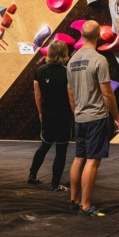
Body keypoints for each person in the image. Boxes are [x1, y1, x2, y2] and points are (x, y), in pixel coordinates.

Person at [67, 21, 119, 217]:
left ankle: (74, 200)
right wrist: (116, 117)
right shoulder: (99, 60)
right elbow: (107, 94)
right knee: (92, 160)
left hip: (80, 118)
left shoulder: (72, 61)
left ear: (81, 35)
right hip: (96, 118)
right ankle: (86, 205)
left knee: (79, 157)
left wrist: (77, 113)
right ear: (99, 36)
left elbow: (71, 94)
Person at [28, 41, 73, 192]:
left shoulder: (39, 71)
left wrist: (40, 112)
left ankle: (32, 176)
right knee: (61, 151)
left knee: (44, 145)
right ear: (64, 54)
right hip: (63, 116)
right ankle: (54, 185)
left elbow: (38, 96)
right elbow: (71, 96)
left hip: (47, 115)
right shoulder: (67, 72)